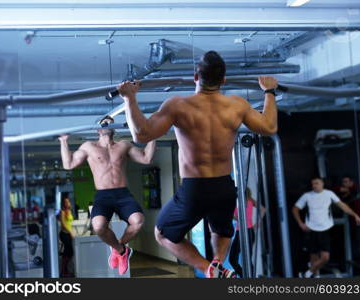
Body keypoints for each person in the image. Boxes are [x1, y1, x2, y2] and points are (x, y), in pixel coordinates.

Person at [117, 50, 278, 278]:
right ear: (223, 80)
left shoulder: (178, 105)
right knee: (221, 229)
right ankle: (218, 263)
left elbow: (141, 135)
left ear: (195, 77)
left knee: (163, 234)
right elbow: (270, 127)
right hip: (224, 185)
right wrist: (269, 92)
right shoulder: (237, 105)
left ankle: (207, 269)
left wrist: (129, 98)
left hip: (195, 188)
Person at [58, 116, 156, 275]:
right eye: (104, 123)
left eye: (110, 122)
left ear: (114, 128)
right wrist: (63, 141)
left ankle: (119, 248)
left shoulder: (124, 145)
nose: (107, 125)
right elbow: (68, 164)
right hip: (103, 195)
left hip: (123, 194)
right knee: (98, 226)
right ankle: (121, 250)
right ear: (98, 130)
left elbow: (146, 158)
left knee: (138, 221)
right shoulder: (89, 147)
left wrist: (153, 137)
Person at [292, 177, 360, 278]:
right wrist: (300, 223)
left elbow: (342, 205)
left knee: (325, 257)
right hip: (311, 229)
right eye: (313, 184)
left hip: (325, 229)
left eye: (316, 183)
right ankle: (314, 278)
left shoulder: (329, 194)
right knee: (314, 257)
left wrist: (355, 215)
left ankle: (306, 273)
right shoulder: (307, 196)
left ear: (322, 184)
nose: (314, 186)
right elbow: (295, 209)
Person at [228, 188, 266, 278]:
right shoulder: (243, 201)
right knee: (237, 259)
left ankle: (247, 277)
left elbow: (263, 210)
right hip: (243, 231)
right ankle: (246, 276)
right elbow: (262, 210)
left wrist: (256, 224)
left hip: (245, 231)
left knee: (242, 259)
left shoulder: (244, 201)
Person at [59, 193, 75, 277]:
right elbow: (63, 224)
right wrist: (70, 232)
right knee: (67, 252)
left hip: (69, 233)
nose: (68, 203)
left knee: (69, 252)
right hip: (64, 234)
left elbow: (70, 223)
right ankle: (63, 271)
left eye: (68, 202)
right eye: (66, 202)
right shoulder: (62, 212)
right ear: (63, 203)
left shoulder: (69, 211)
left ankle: (65, 271)